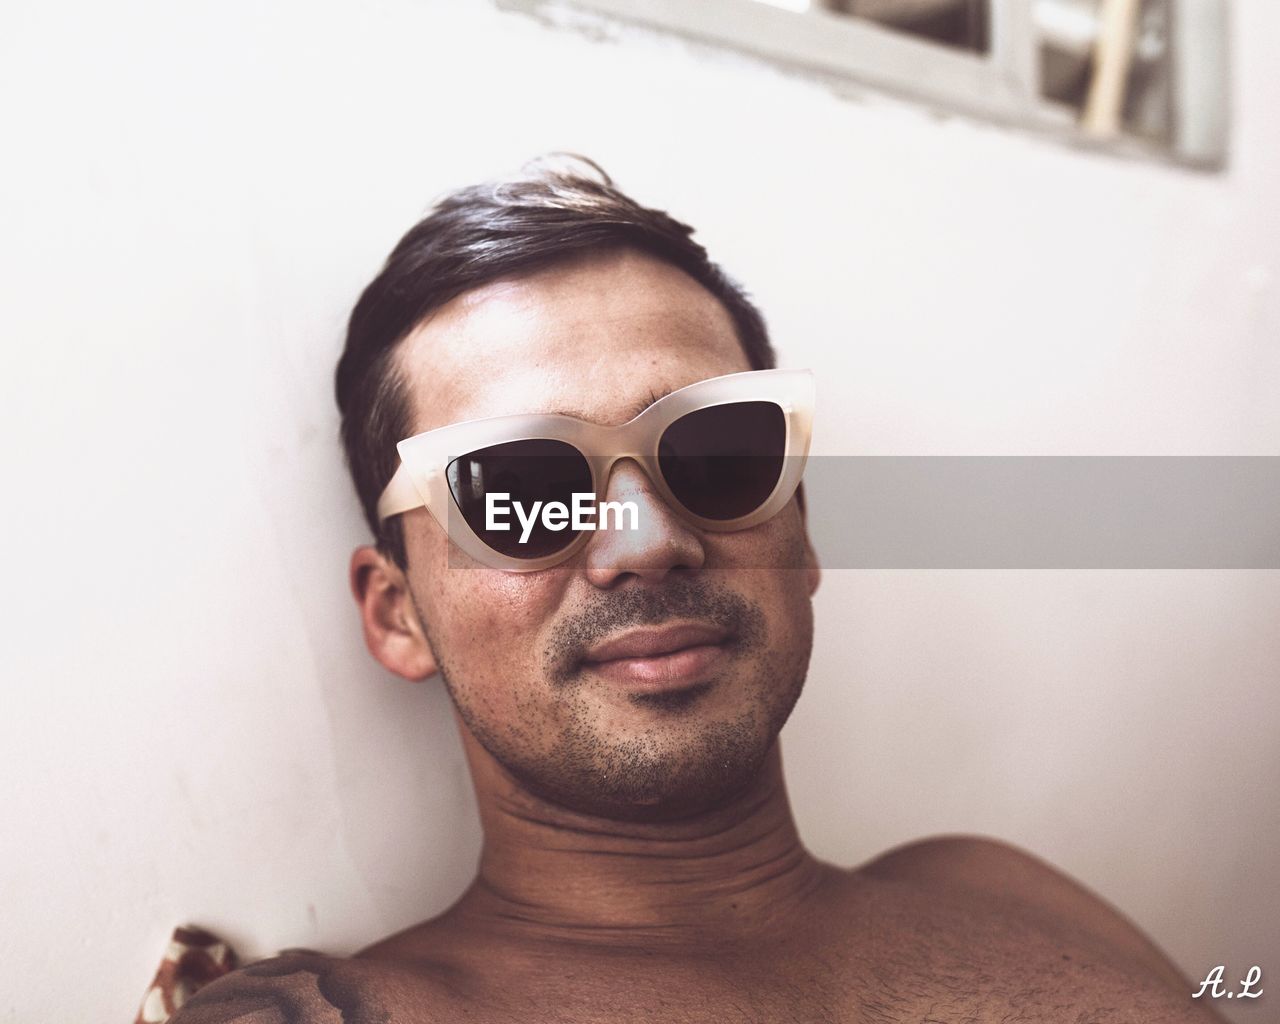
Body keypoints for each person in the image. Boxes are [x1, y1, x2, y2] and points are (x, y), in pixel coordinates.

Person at [172, 157, 1223, 1023]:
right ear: (397, 612)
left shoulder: (1000, 890)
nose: (645, 541)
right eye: (522, 486)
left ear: (798, 532)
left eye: (716, 454)